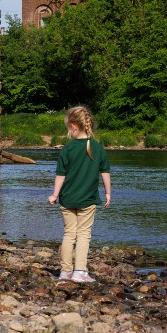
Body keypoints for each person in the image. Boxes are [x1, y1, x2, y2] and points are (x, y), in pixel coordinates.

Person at [47, 105, 111, 283]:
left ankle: (65, 271)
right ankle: (80, 271)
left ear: (74, 126)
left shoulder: (67, 149)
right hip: (87, 200)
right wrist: (108, 193)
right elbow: (105, 172)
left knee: (69, 234)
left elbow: (61, 174)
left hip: (67, 198)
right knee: (83, 235)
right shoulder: (98, 148)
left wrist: (54, 194)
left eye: (68, 128)